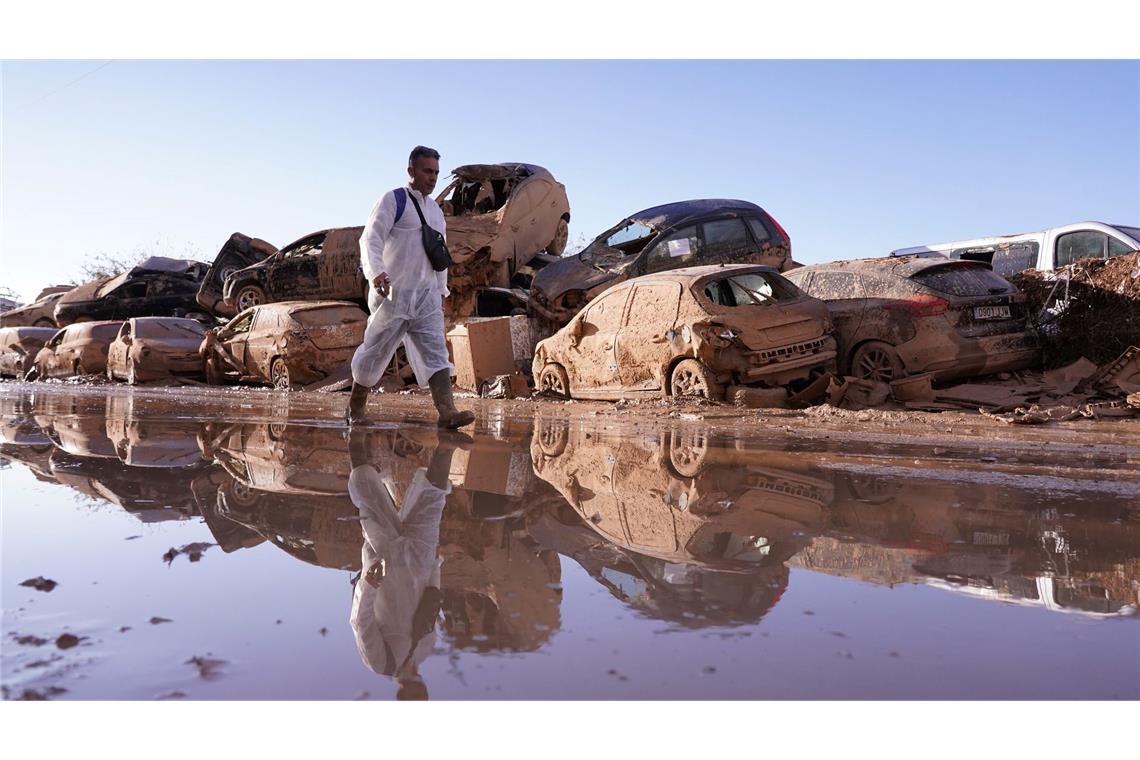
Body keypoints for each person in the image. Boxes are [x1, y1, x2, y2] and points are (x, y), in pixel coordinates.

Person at [347, 145, 475, 429]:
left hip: (426, 296)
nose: (432, 177)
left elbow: (438, 255)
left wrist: (441, 291)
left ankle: (447, 412)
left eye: (436, 172)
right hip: (393, 294)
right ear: (411, 171)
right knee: (375, 350)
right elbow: (371, 240)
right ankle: (355, 408)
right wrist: (376, 273)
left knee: (436, 351)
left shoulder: (436, 212)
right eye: (427, 171)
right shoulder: (394, 201)